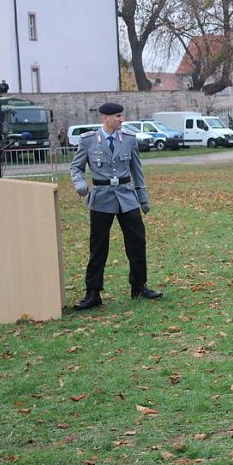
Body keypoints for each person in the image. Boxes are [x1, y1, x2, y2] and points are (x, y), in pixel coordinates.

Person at [70, 102, 162, 311]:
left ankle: (139, 286)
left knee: (137, 243)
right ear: (105, 118)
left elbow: (137, 171)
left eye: (122, 116)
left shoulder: (129, 140)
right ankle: (93, 292)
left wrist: (143, 199)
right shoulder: (89, 141)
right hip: (101, 198)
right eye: (118, 116)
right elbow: (76, 167)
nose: (121, 119)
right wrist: (79, 182)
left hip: (126, 197)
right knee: (98, 246)